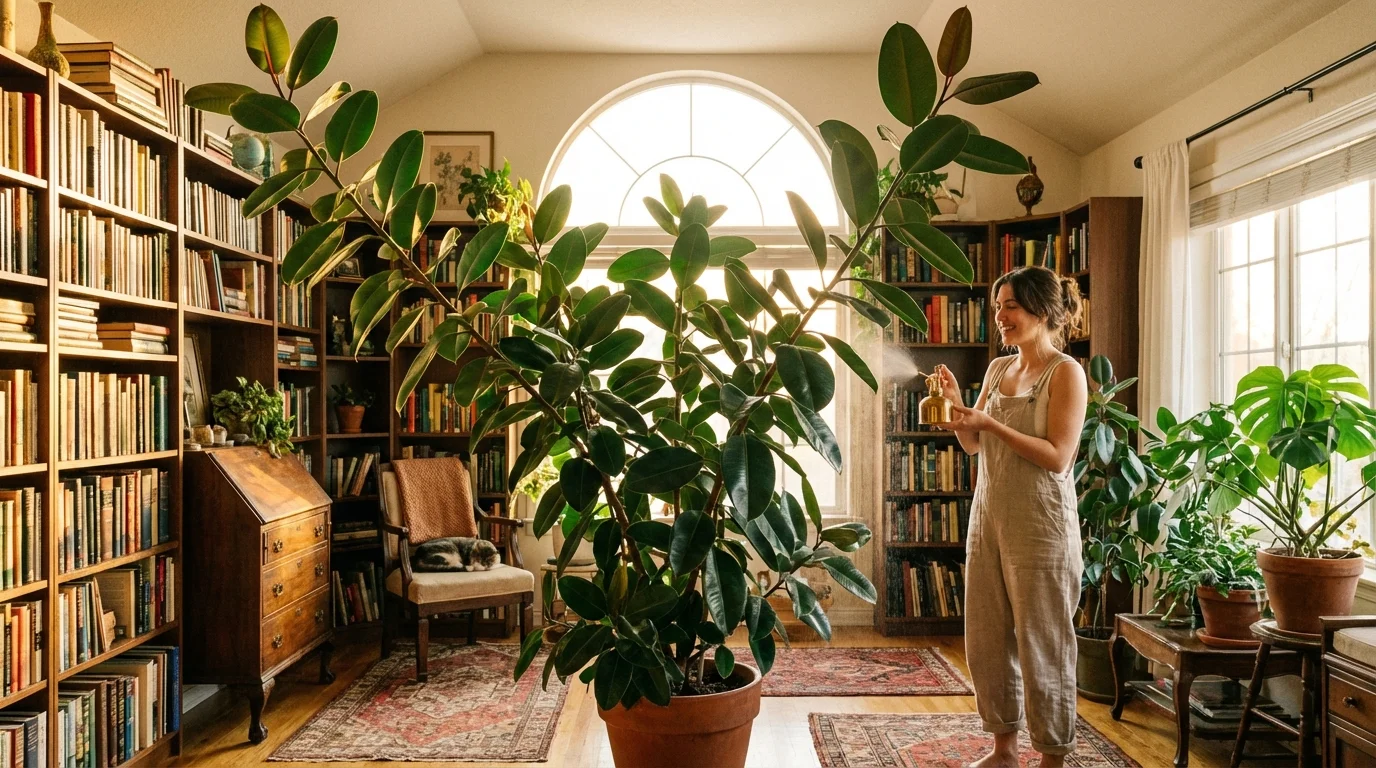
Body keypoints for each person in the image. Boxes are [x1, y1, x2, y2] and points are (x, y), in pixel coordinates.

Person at [933, 265, 1088, 768]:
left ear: (1041, 311)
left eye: (1011, 306)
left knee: (1043, 643)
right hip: (990, 521)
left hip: (1041, 528)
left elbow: (1058, 455)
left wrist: (991, 424)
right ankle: (1003, 749)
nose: (1000, 316)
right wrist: (959, 409)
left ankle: (1052, 757)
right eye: (997, 306)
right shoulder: (999, 369)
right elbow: (974, 442)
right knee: (987, 638)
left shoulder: (1065, 372)